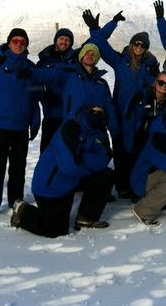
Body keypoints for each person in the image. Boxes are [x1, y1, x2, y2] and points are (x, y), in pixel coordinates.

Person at [11, 100, 115, 237]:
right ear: (85, 110)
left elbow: (104, 157)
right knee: (56, 231)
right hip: (50, 186)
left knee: (106, 175)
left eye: (101, 112)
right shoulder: (69, 128)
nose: (97, 115)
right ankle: (22, 210)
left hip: (71, 181)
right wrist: (85, 161)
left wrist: (80, 159)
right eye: (93, 111)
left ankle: (86, 217)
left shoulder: (98, 132)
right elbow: (69, 167)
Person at [87, 10, 160, 198]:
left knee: (136, 150)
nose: (139, 47)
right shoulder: (120, 61)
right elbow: (101, 45)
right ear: (131, 44)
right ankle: (122, 185)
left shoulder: (150, 65)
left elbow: (155, 86)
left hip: (140, 115)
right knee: (120, 150)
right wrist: (101, 26)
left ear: (146, 48)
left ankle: (135, 184)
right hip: (120, 113)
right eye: (136, 43)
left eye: (143, 45)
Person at [0, 28, 40, 221]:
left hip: (21, 128)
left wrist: (35, 123)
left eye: (23, 42)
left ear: (26, 45)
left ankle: (16, 202)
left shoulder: (30, 67)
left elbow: (35, 98)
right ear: (8, 43)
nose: (19, 44)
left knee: (18, 169)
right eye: (15, 41)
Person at [123, 71, 166, 172]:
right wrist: (130, 145)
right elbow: (128, 120)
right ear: (155, 82)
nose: (164, 86)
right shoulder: (141, 95)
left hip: (155, 144)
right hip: (137, 141)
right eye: (161, 82)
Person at [36, 28, 76, 152]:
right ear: (56, 40)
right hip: (51, 116)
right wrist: (44, 96)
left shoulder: (76, 61)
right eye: (61, 39)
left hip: (71, 118)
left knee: (68, 155)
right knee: (47, 154)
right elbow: (35, 85)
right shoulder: (44, 61)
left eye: (67, 40)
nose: (64, 42)